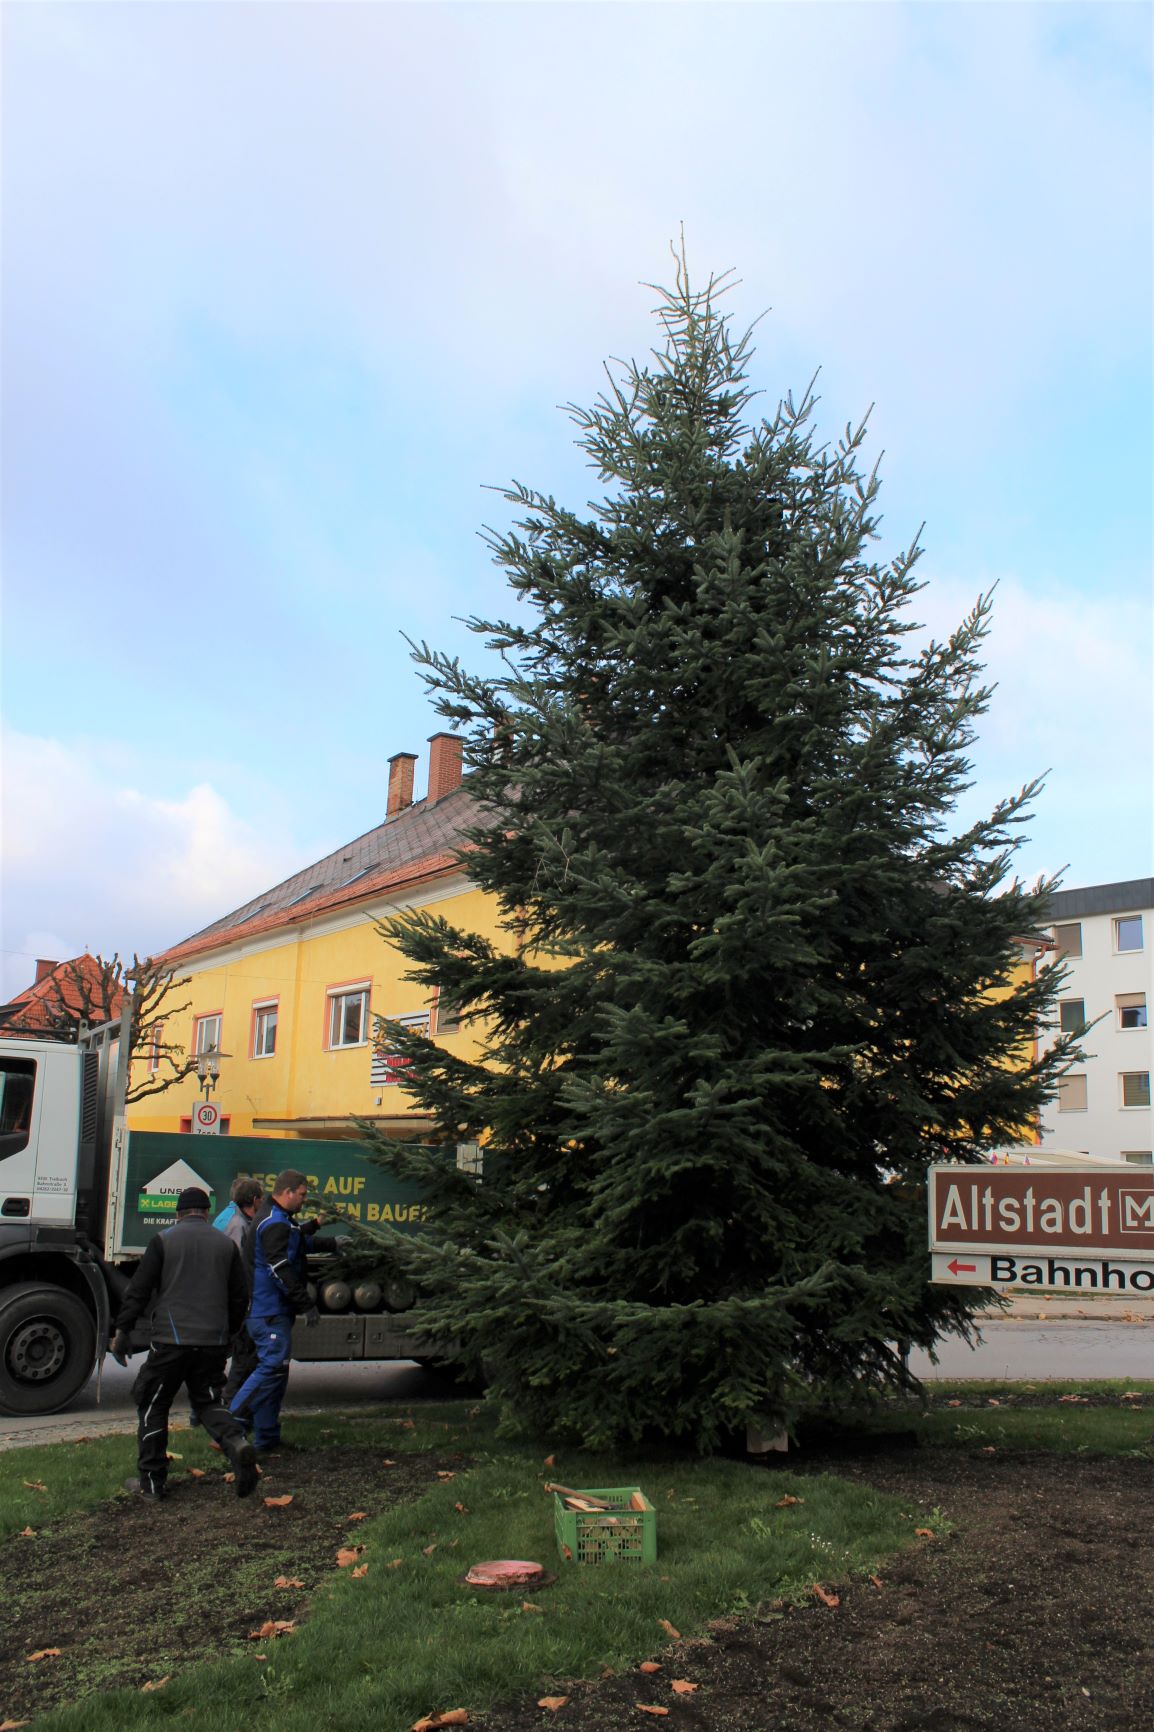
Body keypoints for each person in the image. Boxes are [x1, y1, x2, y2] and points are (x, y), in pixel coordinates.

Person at [111, 1186, 258, 1502]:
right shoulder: (225, 1245)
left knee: (153, 1403)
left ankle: (151, 1484)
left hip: (170, 1342)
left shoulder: (163, 1240)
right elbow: (240, 1296)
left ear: (177, 1213)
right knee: (208, 1402)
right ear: (206, 1213)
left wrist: (122, 1330)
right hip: (212, 1344)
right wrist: (229, 1333)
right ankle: (236, 1443)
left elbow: (139, 1290)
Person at [229, 1168, 321, 1455]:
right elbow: (279, 1268)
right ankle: (230, 1427)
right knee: (270, 1368)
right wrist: (306, 1303)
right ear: (289, 1192)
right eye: (303, 1195)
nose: (304, 1200)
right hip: (267, 1310)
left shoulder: (279, 1219)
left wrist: (328, 1238)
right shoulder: (273, 1222)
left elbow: (298, 1240)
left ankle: (267, 1439)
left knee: (277, 1373)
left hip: (271, 1310)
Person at [214, 1175, 264, 1247]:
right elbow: (237, 1256)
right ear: (255, 1200)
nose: (263, 1203)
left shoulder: (234, 1215)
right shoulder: (237, 1224)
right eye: (262, 1199)